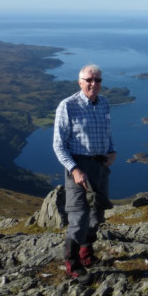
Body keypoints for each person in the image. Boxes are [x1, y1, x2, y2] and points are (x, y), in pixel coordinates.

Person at [53, 64, 117, 282]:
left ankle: (86, 255)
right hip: (78, 169)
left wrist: (112, 152)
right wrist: (74, 169)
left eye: (97, 80)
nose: (93, 84)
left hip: (100, 167)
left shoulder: (104, 103)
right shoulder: (68, 106)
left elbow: (107, 134)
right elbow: (59, 145)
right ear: (80, 81)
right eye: (89, 80)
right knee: (79, 217)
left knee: (96, 215)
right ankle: (72, 265)